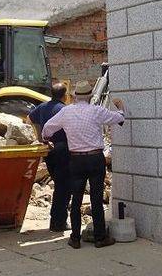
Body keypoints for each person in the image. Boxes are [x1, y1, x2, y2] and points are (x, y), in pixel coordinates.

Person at [42, 80, 125, 249]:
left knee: (77, 199)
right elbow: (119, 118)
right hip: (95, 159)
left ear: (74, 96)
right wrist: (121, 106)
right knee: (96, 198)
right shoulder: (96, 111)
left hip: (76, 160)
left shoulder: (66, 112)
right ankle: (100, 238)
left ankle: (75, 238)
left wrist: (46, 139)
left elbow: (47, 129)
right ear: (89, 96)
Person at [28, 83, 71, 232]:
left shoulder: (42, 107)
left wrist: (40, 137)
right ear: (64, 95)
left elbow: (30, 119)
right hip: (62, 150)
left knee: (60, 184)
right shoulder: (64, 110)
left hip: (49, 151)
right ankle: (58, 223)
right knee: (63, 187)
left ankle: (58, 221)